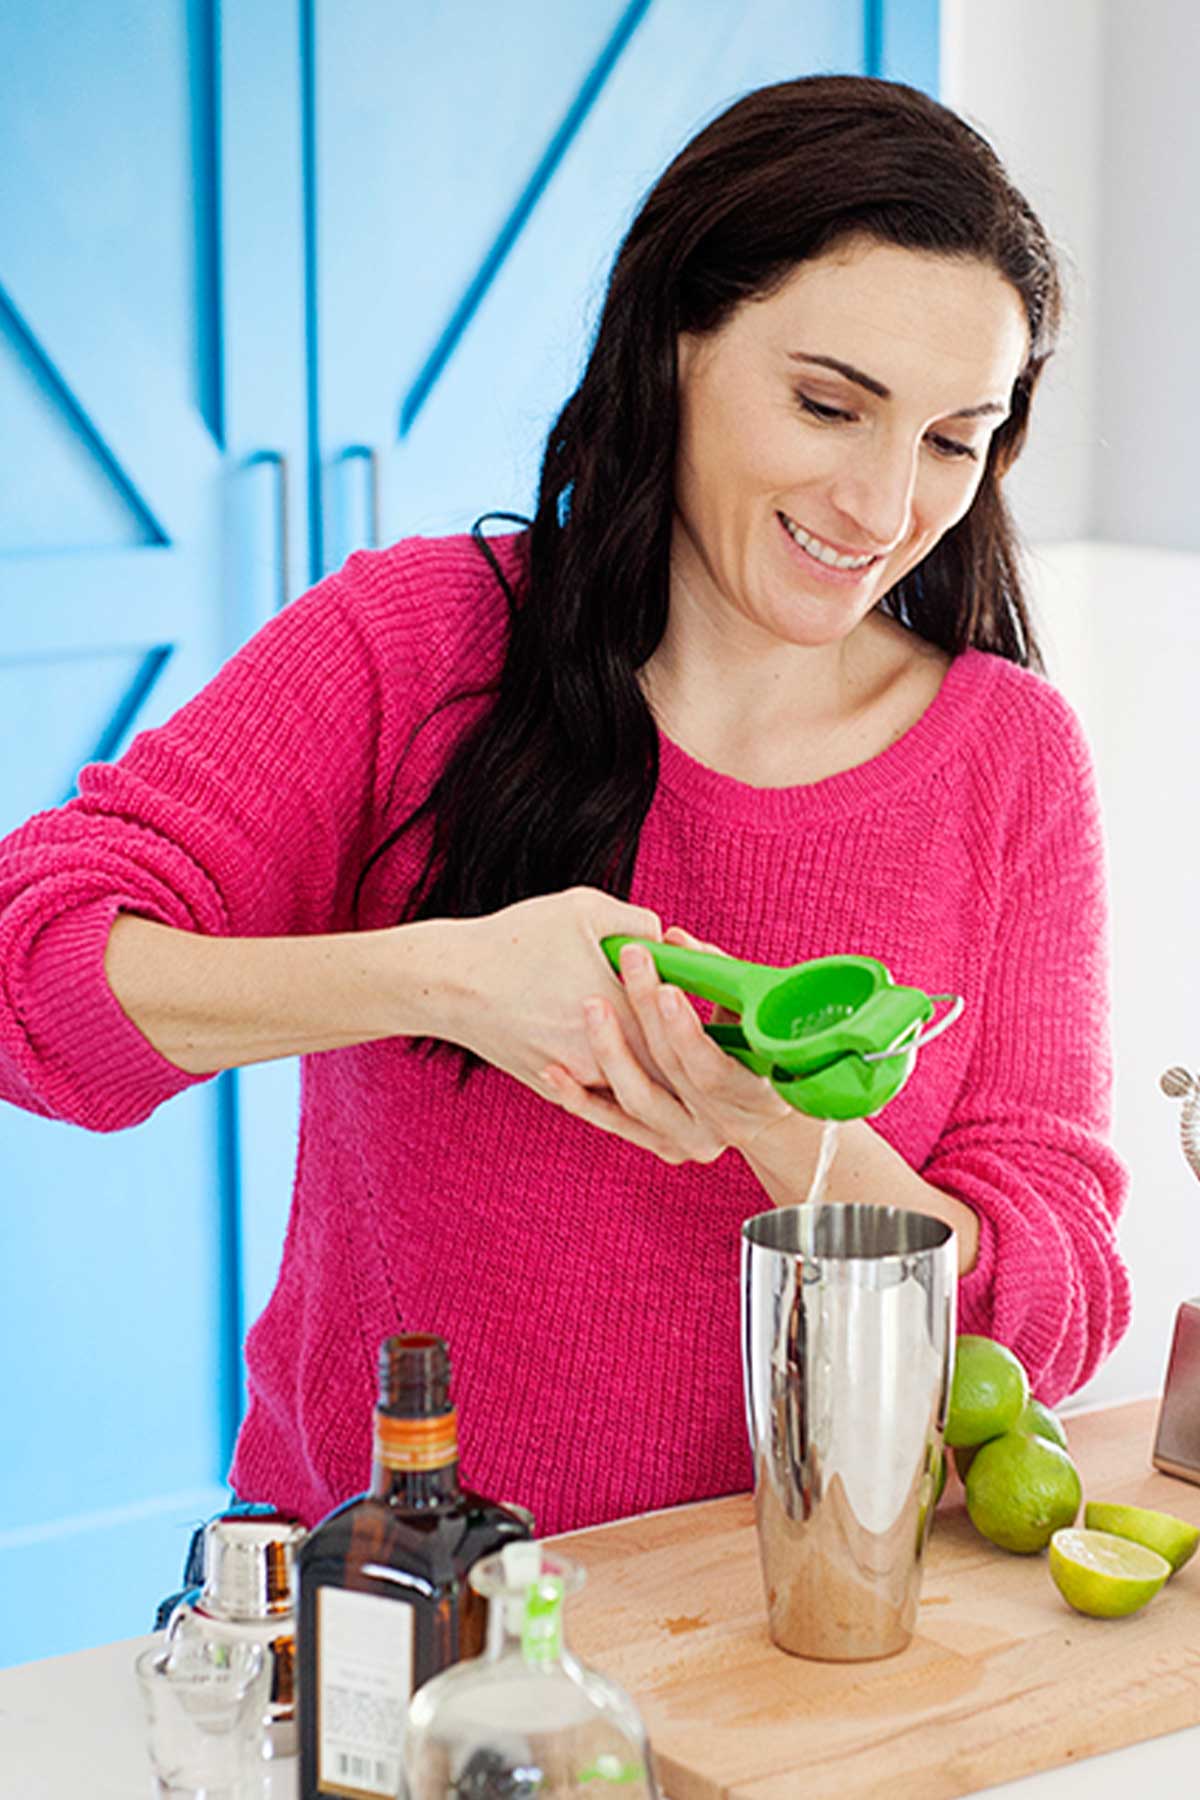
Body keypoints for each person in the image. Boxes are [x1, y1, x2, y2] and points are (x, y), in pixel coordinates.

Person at [0, 75, 1130, 1537]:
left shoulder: (1009, 756)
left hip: (789, 1622)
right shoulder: (419, 643)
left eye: (951, 438)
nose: (879, 503)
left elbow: (1054, 1304)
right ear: (674, 348)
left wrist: (781, 1130)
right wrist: (450, 980)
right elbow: (31, 978)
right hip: (378, 1601)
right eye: (827, 404)